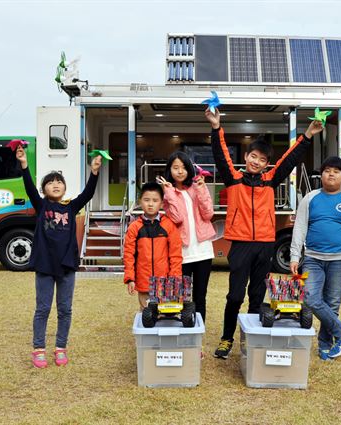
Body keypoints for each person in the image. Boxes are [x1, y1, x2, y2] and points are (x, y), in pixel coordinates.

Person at [206, 107, 319, 359]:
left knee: (257, 295)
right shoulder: (233, 179)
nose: (257, 162)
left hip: (265, 244)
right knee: (235, 295)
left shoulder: (270, 180)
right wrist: (216, 128)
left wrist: (308, 135)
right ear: (246, 157)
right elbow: (221, 155)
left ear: (267, 163)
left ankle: (252, 339)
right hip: (241, 245)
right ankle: (227, 339)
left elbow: (289, 159)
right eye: (253, 157)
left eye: (262, 160)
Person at [16, 145, 101, 369]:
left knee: (65, 309)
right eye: (51, 182)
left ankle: (60, 348)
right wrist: (24, 165)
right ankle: (39, 350)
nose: (56, 184)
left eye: (59, 182)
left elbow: (88, 194)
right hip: (45, 264)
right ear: (44, 188)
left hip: (67, 264)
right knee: (42, 308)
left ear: (64, 188)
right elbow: (29, 189)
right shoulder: (41, 205)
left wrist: (94, 172)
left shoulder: (71, 207)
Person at [290, 156, 341, 361]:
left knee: (332, 304)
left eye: (336, 172)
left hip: (340, 260)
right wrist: (295, 255)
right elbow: (300, 227)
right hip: (313, 258)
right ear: (321, 175)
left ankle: (325, 345)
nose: (331, 174)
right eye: (327, 170)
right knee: (310, 297)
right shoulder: (310, 198)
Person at [157, 151, 215, 324]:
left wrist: (202, 189)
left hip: (203, 251)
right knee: (180, 294)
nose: (180, 171)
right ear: (170, 170)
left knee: (200, 295)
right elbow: (178, 218)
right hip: (181, 252)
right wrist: (169, 193)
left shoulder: (197, 188)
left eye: (183, 167)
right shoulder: (169, 193)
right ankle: (183, 330)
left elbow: (208, 214)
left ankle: (198, 331)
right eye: (175, 168)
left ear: (190, 169)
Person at [123, 182, 183, 311]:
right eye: (146, 200)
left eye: (155, 200)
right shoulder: (134, 227)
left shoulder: (168, 225)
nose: (150, 204)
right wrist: (130, 278)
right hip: (143, 282)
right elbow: (129, 255)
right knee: (147, 315)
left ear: (161, 203)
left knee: (165, 315)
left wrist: (173, 279)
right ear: (140, 202)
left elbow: (175, 255)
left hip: (165, 282)